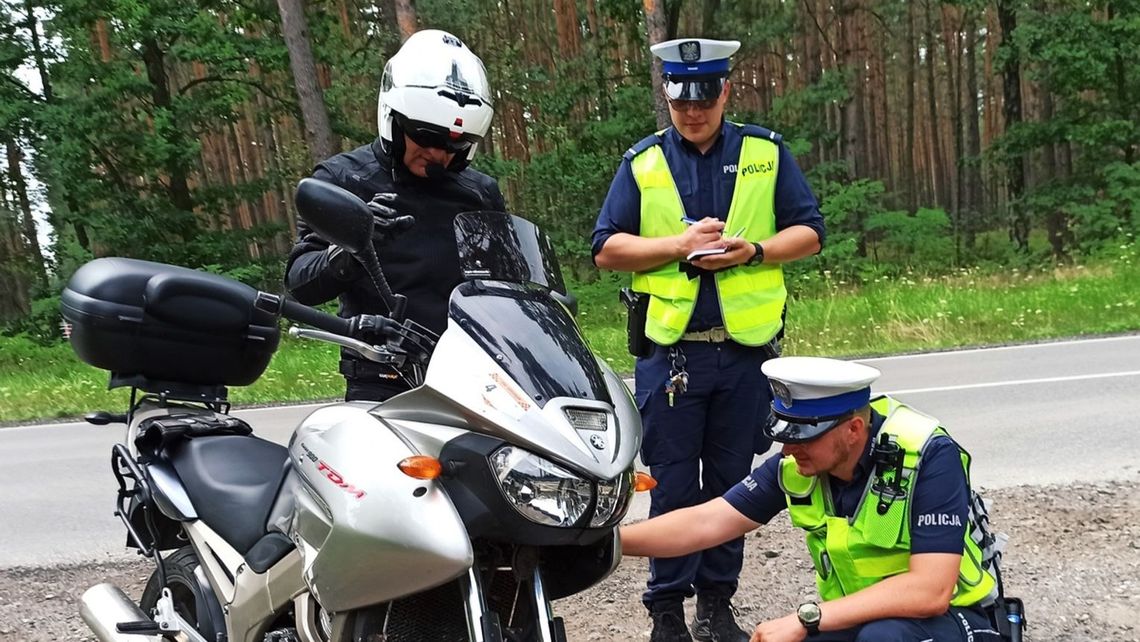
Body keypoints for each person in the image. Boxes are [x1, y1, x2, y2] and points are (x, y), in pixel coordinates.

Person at [592, 37, 826, 642]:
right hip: (672, 353)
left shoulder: (765, 152)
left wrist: (755, 252)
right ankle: (666, 611)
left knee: (731, 485)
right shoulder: (642, 163)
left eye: (703, 98)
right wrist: (677, 246)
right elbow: (606, 249)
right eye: (679, 100)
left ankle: (716, 606)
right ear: (667, 95)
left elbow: (810, 231)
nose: (691, 111)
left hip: (746, 354)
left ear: (724, 90)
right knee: (673, 488)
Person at [621, 356, 1004, 642]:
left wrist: (806, 618)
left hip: (957, 619)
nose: (787, 449)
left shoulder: (929, 456)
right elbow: (706, 522)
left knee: (881, 638)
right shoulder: (799, 464)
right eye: (784, 435)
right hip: (861, 618)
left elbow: (930, 591)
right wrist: (607, 542)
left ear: (853, 430)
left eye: (802, 437)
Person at [286, 29, 506, 402]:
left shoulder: (479, 191)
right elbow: (299, 281)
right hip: (381, 372)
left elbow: (508, 280)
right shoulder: (344, 178)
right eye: (426, 136)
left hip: (472, 376)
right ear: (394, 119)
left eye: (456, 145)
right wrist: (352, 252)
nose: (439, 155)